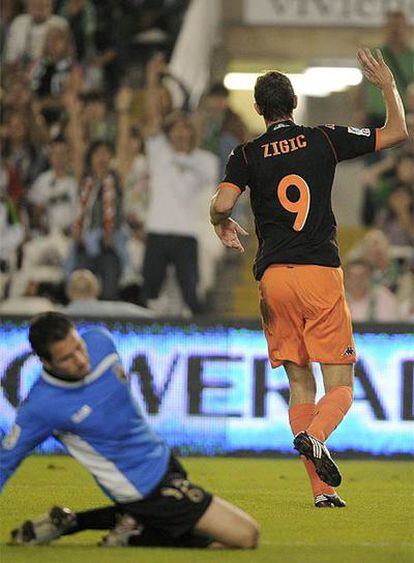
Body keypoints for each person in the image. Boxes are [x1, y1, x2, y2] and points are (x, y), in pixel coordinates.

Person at [209, 48, 408, 507]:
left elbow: (222, 205)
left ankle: (322, 491)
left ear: (258, 109)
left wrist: (217, 220)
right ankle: (316, 436)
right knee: (340, 388)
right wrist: (387, 87)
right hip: (319, 272)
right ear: (295, 103)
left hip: (274, 279)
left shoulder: (245, 154)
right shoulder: (324, 138)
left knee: (301, 386)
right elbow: (397, 133)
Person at [0, 312, 259, 549]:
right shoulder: (41, 407)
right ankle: (133, 534)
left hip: (164, 460)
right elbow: (5, 462)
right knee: (245, 536)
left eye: (78, 346)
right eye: (66, 358)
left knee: (206, 534)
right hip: (141, 489)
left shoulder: (100, 341)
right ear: (45, 361)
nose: (80, 360)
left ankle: (79, 522)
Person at [64, 269, 154, 318]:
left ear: (69, 292)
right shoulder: (115, 311)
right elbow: (152, 317)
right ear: (96, 290)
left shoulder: (57, 318)